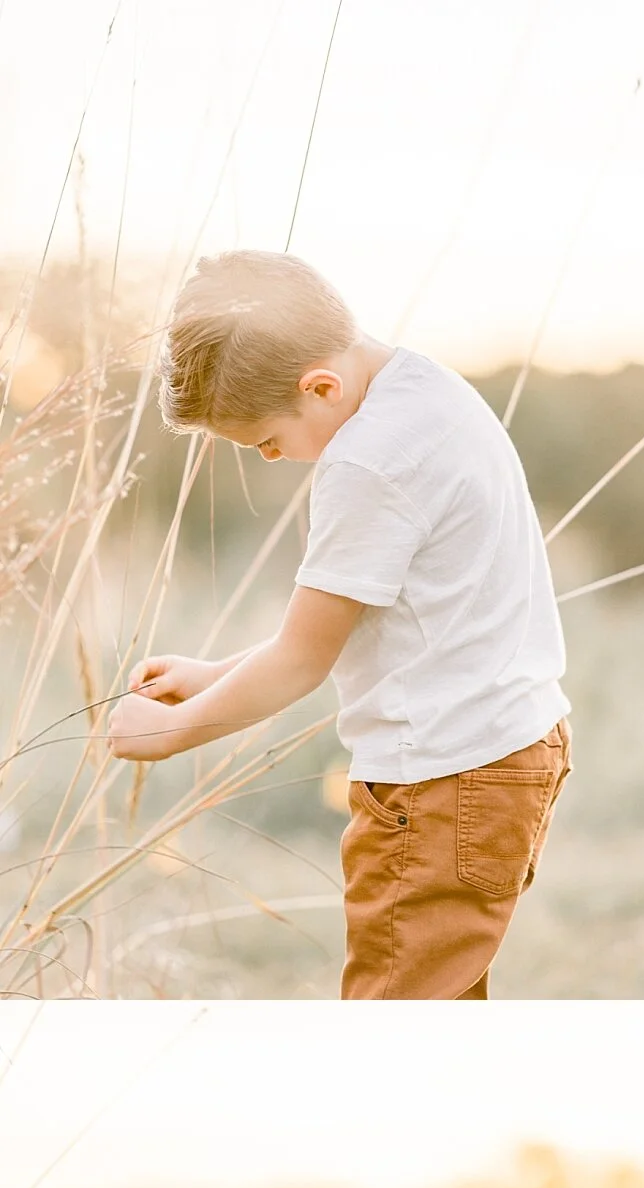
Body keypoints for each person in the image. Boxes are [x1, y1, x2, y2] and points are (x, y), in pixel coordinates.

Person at [107, 250, 571, 1001]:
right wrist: (213, 675)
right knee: (440, 1002)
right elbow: (352, 622)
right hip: (506, 751)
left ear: (318, 387)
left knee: (391, 1015)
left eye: (264, 442)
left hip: (440, 784)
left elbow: (302, 660)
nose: (274, 459)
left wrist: (172, 732)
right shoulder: (421, 386)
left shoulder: (368, 463)